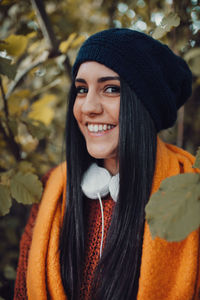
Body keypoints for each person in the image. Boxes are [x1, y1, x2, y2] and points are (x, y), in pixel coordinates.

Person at [14, 28, 200, 300]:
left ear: (145, 105)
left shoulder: (191, 193)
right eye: (81, 89)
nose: (88, 107)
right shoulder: (51, 192)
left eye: (111, 89)